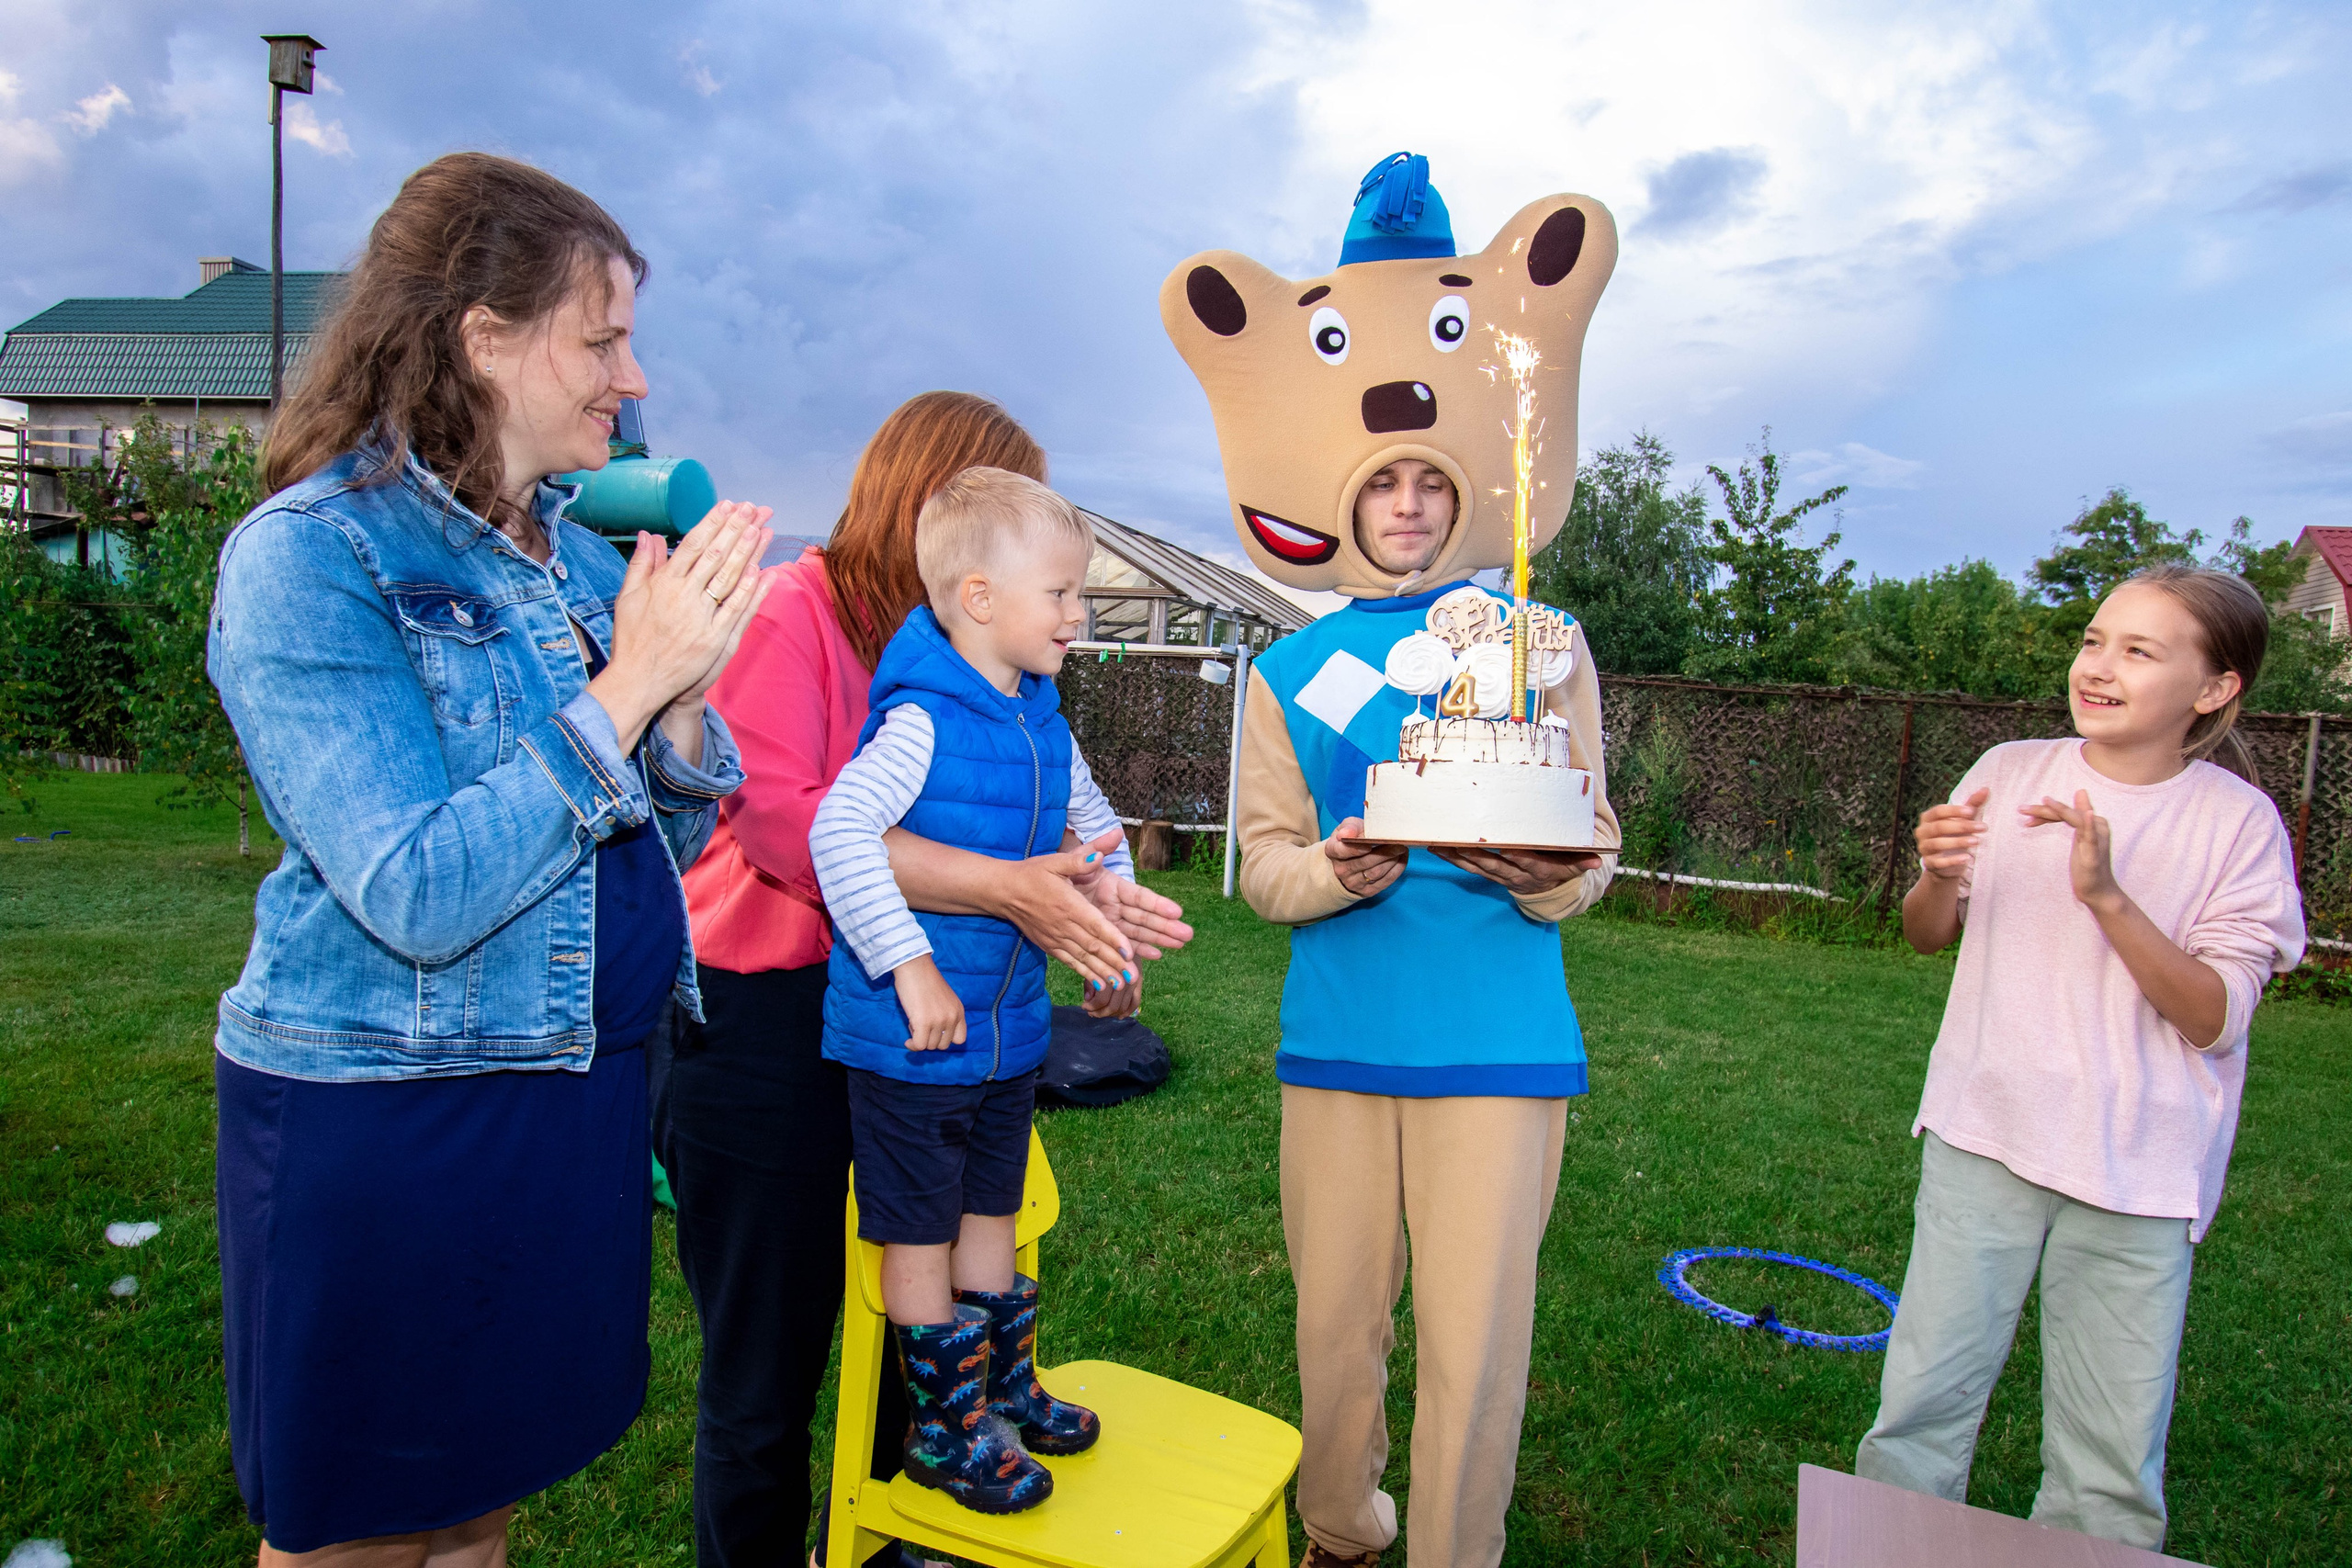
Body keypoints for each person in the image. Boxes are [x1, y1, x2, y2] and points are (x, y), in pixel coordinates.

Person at [208, 152, 774, 1566]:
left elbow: (667, 841)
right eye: (601, 339)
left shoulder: (575, 557)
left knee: (480, 1502)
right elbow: (414, 890)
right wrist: (625, 692)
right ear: (484, 336)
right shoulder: (309, 555)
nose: (631, 378)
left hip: (569, 1096)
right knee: (357, 1526)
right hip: (392, 1124)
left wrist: (683, 697)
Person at [658, 396, 1191, 1562]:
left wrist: (1097, 900)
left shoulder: (990, 674)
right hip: (765, 1017)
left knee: (929, 1290)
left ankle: (918, 1512)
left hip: (927, 1019)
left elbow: (1057, 814)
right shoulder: (797, 612)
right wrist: (1006, 887)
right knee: (768, 1371)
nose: (1060, 598)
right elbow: (786, 824)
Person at [1854, 565, 2307, 1549]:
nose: (2097, 667)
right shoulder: (2009, 768)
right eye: (2095, 640)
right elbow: (1929, 935)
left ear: (2213, 688)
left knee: (2106, 1462)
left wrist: (2107, 895)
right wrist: (1935, 875)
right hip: (1983, 1132)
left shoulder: (2236, 825)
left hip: (2138, 1171)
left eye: (2139, 651)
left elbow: (2214, 1016)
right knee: (1922, 1406)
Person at [1237, 457, 1616, 1568]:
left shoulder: (1542, 642)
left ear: (1470, 498)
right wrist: (1334, 872)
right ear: (1343, 500)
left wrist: (1538, 874)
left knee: (1474, 1347)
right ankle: (1341, 1533)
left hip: (1499, 1047)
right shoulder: (1289, 669)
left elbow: (1595, 841)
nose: (1407, 505)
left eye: (1432, 483)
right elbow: (1263, 864)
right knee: (1334, 1330)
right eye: (1381, 483)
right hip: (1339, 1039)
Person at [809, 467, 1141, 1514]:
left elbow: (1097, 831)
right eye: (1061, 594)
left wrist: (1112, 935)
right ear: (979, 600)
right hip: (910, 1046)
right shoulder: (921, 720)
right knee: (918, 1236)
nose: (1077, 615)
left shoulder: (1041, 718)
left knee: (991, 1212)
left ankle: (1002, 1393)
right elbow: (837, 833)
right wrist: (906, 965)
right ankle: (945, 1434)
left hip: (1006, 1037)